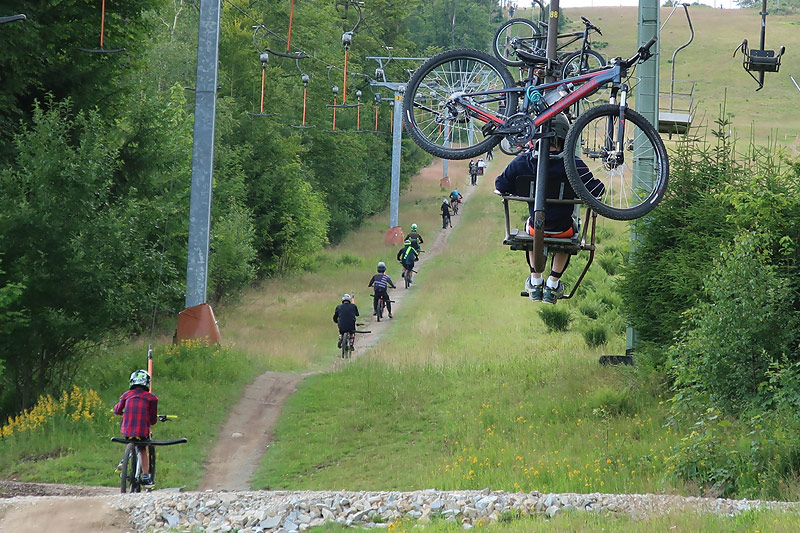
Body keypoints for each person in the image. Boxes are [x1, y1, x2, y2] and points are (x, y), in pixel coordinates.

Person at [494, 113, 605, 305]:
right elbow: (596, 190)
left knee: (533, 228)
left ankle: (535, 280)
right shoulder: (573, 164)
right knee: (569, 233)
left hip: (535, 230)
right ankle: (553, 283)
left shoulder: (523, 162)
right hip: (563, 230)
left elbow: (501, 185)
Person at [114, 370, 158, 485]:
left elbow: (117, 410)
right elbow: (153, 420)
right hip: (143, 431)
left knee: (131, 440)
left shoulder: (126, 395)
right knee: (143, 449)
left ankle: (124, 461)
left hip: (127, 430)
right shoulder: (152, 398)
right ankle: (146, 475)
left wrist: (119, 411)